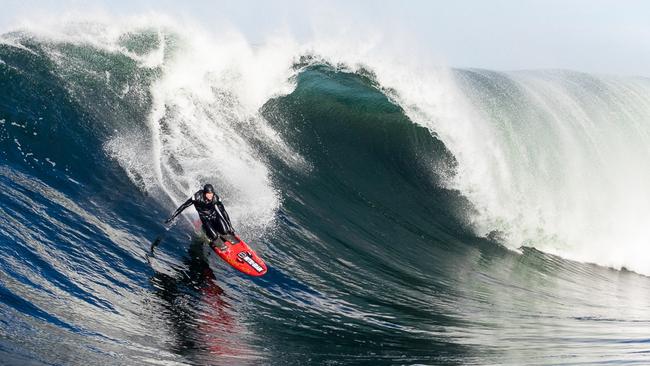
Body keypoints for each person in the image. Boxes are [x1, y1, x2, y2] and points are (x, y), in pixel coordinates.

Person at [165, 184, 235, 250]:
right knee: (214, 237)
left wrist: (230, 225)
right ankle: (207, 230)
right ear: (204, 193)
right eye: (208, 194)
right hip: (205, 218)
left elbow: (223, 211)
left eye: (212, 194)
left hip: (215, 216)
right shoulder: (197, 197)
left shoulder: (215, 198)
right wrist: (173, 216)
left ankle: (217, 228)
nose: (211, 196)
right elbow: (184, 206)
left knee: (226, 231)